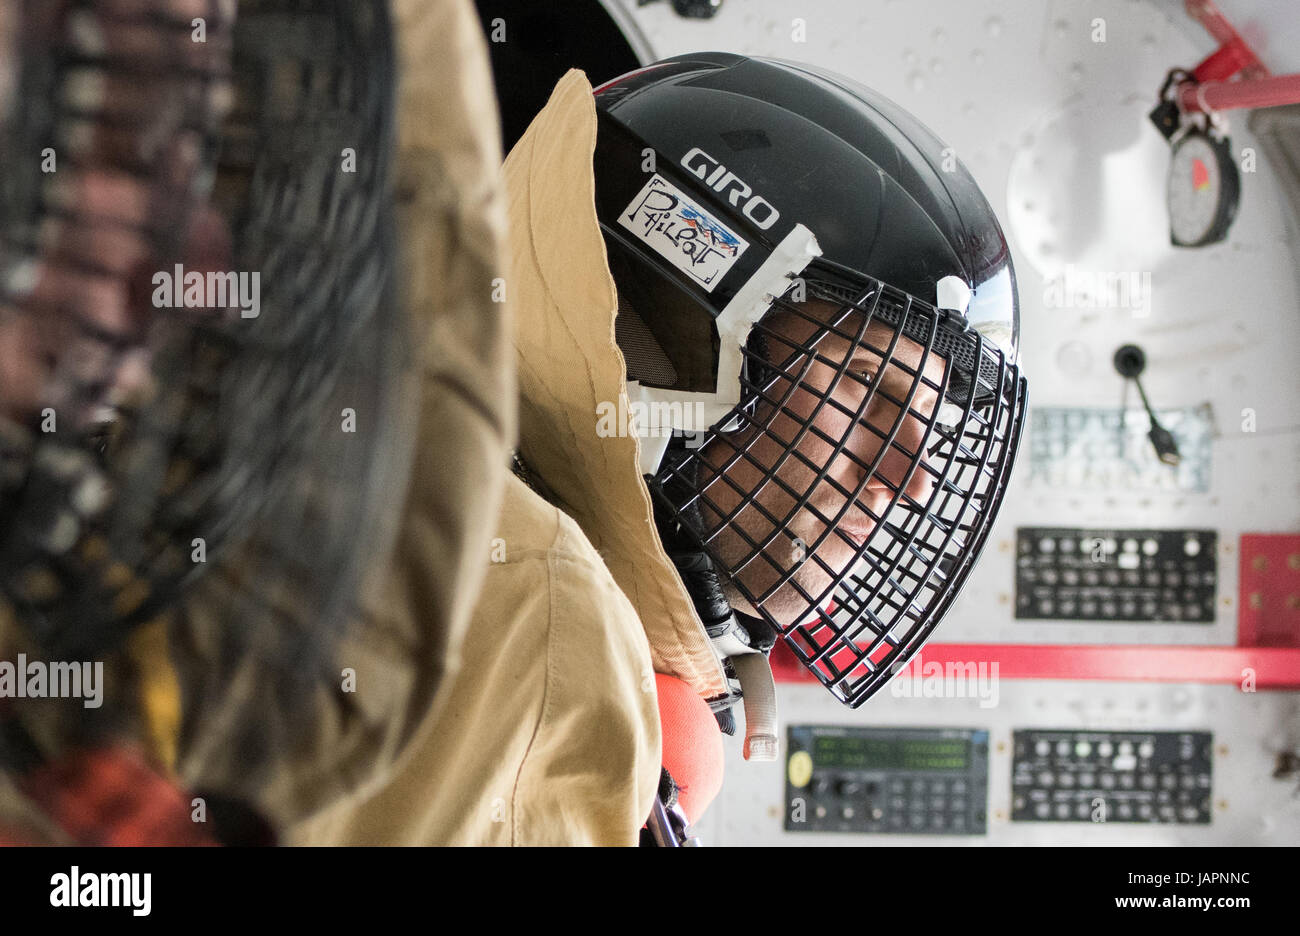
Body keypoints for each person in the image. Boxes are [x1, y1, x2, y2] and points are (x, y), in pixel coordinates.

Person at [290, 50, 1026, 845]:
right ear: (653, 338)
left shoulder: (402, 497)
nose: (911, 478)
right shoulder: (537, 621)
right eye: (866, 387)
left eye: (928, 418)